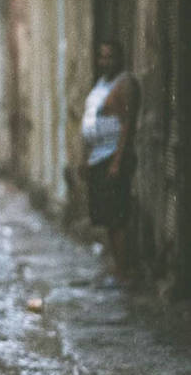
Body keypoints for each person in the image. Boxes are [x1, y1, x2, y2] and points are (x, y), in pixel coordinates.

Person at [81, 40, 139, 282]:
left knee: (117, 218)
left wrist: (117, 161)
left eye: (110, 57)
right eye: (102, 57)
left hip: (111, 157)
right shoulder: (102, 82)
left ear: (119, 58)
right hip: (98, 157)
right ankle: (116, 267)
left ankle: (122, 270)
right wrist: (85, 157)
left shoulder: (124, 82)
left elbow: (127, 123)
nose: (105, 62)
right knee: (107, 217)